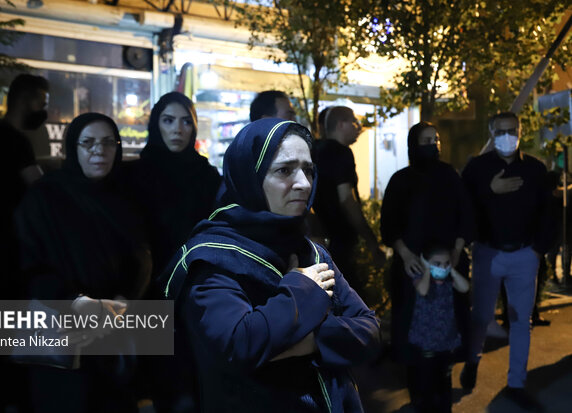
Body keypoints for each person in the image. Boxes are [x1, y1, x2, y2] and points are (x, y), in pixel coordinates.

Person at [160, 118, 381, 413]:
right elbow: (239, 345)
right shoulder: (213, 259)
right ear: (249, 177)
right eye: (285, 170)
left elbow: (369, 330)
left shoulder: (310, 252)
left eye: (309, 170)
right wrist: (302, 288)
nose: (303, 183)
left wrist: (310, 342)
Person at [15, 113, 152, 413]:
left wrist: (124, 298)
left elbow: (141, 257)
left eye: (108, 143)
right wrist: (75, 302)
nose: (98, 151)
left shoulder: (127, 198)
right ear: (72, 147)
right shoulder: (45, 198)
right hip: (61, 335)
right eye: (88, 143)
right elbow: (27, 264)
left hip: (113, 333)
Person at [460, 112, 553, 411]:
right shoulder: (477, 168)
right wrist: (490, 189)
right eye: (501, 131)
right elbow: (462, 206)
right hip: (489, 252)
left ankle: (516, 384)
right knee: (481, 316)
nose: (507, 135)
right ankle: (472, 360)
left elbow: (549, 213)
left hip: (525, 254)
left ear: (520, 130)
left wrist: (539, 250)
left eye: (512, 130)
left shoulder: (536, 169)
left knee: (520, 322)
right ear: (491, 132)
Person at [380, 121, 473, 384]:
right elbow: (389, 225)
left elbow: (465, 215)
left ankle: (443, 376)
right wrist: (407, 256)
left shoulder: (450, 175)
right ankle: (416, 384)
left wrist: (456, 252)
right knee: (410, 322)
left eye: (437, 140)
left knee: (449, 321)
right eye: (427, 140)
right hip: (412, 267)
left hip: (448, 264)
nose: (433, 145)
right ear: (414, 145)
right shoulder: (401, 180)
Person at [126, 91, 221, 275]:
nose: (178, 129)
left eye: (186, 121)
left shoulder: (207, 175)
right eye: (168, 120)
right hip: (144, 282)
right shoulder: (134, 175)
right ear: (156, 124)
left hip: (196, 276)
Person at [0, 73, 48, 298]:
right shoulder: (12, 140)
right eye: (41, 101)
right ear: (23, 100)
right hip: (13, 240)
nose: (43, 108)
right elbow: (38, 185)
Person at [313, 106, 386, 286]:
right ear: (341, 124)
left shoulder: (314, 150)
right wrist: (371, 240)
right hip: (340, 240)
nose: (358, 127)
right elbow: (347, 199)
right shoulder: (342, 152)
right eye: (354, 121)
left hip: (318, 239)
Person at [405, 243, 469, 413]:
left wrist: (452, 271)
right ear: (426, 262)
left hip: (446, 339)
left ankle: (444, 408)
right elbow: (423, 291)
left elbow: (465, 287)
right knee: (427, 379)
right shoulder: (420, 276)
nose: (442, 267)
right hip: (426, 338)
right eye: (437, 263)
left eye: (446, 263)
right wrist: (427, 270)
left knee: (445, 379)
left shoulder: (449, 279)